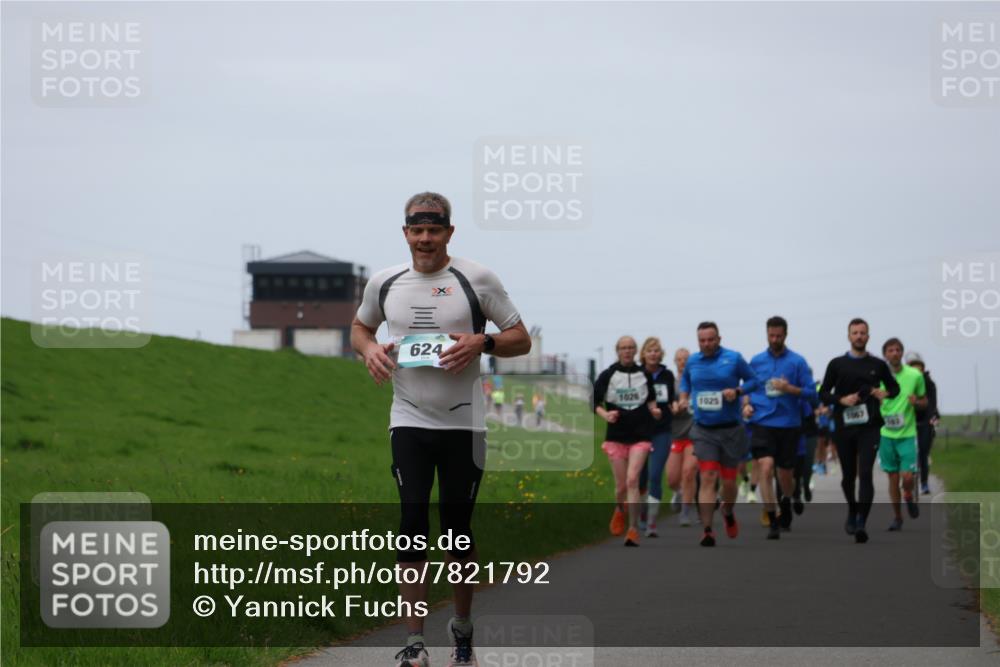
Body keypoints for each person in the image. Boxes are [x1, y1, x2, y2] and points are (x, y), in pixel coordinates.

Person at [351, 192, 531, 667]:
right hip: (409, 418)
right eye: (417, 230)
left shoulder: (477, 279)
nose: (425, 238)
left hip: (464, 424)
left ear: (450, 232)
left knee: (457, 532)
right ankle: (414, 642)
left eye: (434, 230)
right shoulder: (385, 282)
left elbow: (520, 339)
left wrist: (482, 342)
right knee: (411, 524)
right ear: (405, 232)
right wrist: (368, 350)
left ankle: (463, 629)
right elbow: (360, 328)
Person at [819, 318, 900, 544]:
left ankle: (862, 522)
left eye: (862, 333)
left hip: (869, 426)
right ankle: (853, 510)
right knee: (848, 476)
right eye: (855, 333)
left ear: (868, 336)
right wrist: (841, 400)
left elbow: (894, 388)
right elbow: (823, 393)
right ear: (848, 336)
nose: (859, 336)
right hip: (844, 426)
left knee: (865, 473)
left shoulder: (878, 365)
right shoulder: (837, 364)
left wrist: (884, 393)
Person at [678, 322, 759, 547]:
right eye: (702, 340)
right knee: (708, 477)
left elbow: (754, 381)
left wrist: (737, 391)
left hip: (730, 429)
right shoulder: (693, 361)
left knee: (729, 483)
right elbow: (685, 382)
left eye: (710, 339)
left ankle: (728, 511)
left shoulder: (733, 358)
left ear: (719, 339)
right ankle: (707, 530)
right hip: (703, 429)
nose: (706, 344)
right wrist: (683, 398)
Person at [743, 316, 816, 539]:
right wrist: (746, 405)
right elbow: (747, 387)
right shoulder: (756, 361)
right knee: (765, 468)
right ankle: (772, 518)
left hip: (788, 424)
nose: (775, 339)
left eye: (779, 336)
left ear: (786, 335)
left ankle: (787, 498)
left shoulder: (797, 362)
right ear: (767, 334)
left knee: (785, 475)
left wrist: (789, 389)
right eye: (771, 335)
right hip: (762, 423)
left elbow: (812, 394)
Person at [594, 336, 662, 546]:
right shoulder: (608, 375)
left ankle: (632, 529)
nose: (627, 351)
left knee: (633, 480)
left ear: (635, 350)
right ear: (618, 350)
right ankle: (619, 508)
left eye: (631, 347)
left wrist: (655, 410)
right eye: (623, 348)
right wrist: (606, 415)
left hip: (641, 435)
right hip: (616, 435)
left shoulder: (644, 374)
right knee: (621, 486)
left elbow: (651, 399)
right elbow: (594, 402)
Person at [879, 338, 928, 531]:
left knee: (907, 476)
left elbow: (924, 401)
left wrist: (917, 402)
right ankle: (897, 517)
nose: (895, 353)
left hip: (907, 433)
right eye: (890, 350)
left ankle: (907, 494)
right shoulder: (878, 376)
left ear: (902, 353)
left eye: (898, 350)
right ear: (885, 354)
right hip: (886, 434)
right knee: (892, 477)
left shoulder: (915, 375)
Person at [638, 337, 676, 537]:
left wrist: (675, 406)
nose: (653, 354)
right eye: (650, 350)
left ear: (661, 354)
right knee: (640, 478)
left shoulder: (667, 375)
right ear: (643, 354)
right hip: (640, 431)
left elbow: (671, 399)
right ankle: (642, 513)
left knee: (655, 476)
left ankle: (652, 522)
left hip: (662, 430)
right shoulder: (636, 374)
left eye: (656, 350)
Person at [667, 347, 699, 527]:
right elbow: (666, 402)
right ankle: (678, 492)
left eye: (686, 359)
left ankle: (685, 512)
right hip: (675, 435)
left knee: (688, 472)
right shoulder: (672, 383)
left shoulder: (698, 382)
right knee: (672, 479)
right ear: (675, 362)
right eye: (679, 359)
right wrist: (674, 407)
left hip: (694, 435)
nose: (683, 362)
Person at [906, 352, 939, 495]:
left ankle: (924, 482)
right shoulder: (905, 382)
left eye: (918, 367)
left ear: (922, 368)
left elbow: (932, 404)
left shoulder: (929, 383)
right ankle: (906, 478)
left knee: (923, 453)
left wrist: (931, 417)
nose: (916, 370)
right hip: (908, 420)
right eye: (913, 367)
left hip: (925, 420)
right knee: (907, 452)